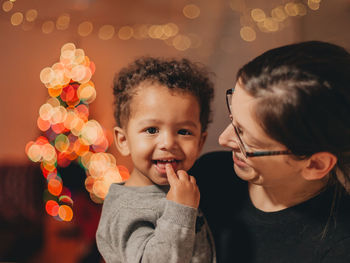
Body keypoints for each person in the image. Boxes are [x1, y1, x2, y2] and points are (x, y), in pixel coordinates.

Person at [189, 41, 350, 263]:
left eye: (246, 137)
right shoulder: (207, 175)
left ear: (315, 165)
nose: (223, 139)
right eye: (232, 117)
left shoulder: (339, 248)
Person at [96, 57, 216, 263]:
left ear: (200, 142)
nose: (168, 143)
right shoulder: (127, 209)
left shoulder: (187, 185)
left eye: (184, 131)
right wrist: (180, 211)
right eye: (151, 130)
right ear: (123, 140)